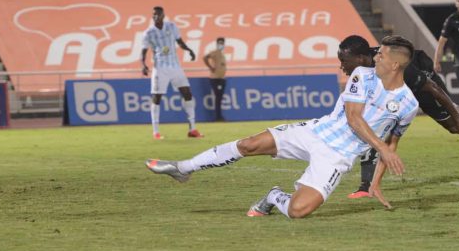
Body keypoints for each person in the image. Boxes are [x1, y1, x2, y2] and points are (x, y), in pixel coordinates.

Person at [146, 35, 421, 217]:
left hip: (337, 157)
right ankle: (182, 168)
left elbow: (392, 146)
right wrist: (382, 148)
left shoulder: (408, 104)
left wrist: (375, 183)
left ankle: (274, 197)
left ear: (395, 64)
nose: (375, 57)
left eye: (382, 56)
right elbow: (354, 118)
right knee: (248, 144)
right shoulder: (363, 75)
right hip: (314, 132)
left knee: (298, 212)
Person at [338, 35, 459, 199]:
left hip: (423, 81)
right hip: (397, 91)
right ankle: (366, 185)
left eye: (344, 61)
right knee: (373, 127)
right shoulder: (363, 73)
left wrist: (458, 117)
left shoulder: (390, 63)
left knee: (453, 126)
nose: (341, 66)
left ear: (360, 58)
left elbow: (432, 87)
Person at [140, 6, 203, 140]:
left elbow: (179, 41)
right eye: (153, 15)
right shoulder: (148, 33)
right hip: (160, 68)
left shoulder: (172, 27)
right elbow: (144, 50)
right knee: (157, 98)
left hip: (175, 66)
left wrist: (189, 50)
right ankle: (155, 131)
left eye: (158, 14)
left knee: (187, 93)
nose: (155, 17)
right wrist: (143, 64)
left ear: (163, 15)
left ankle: (192, 129)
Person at [203, 37, 227, 122]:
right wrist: (210, 67)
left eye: (222, 43)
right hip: (215, 78)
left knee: (219, 98)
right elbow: (205, 58)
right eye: (219, 43)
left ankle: (219, 116)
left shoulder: (222, 54)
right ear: (217, 44)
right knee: (218, 98)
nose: (221, 45)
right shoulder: (215, 52)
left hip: (222, 78)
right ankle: (218, 117)